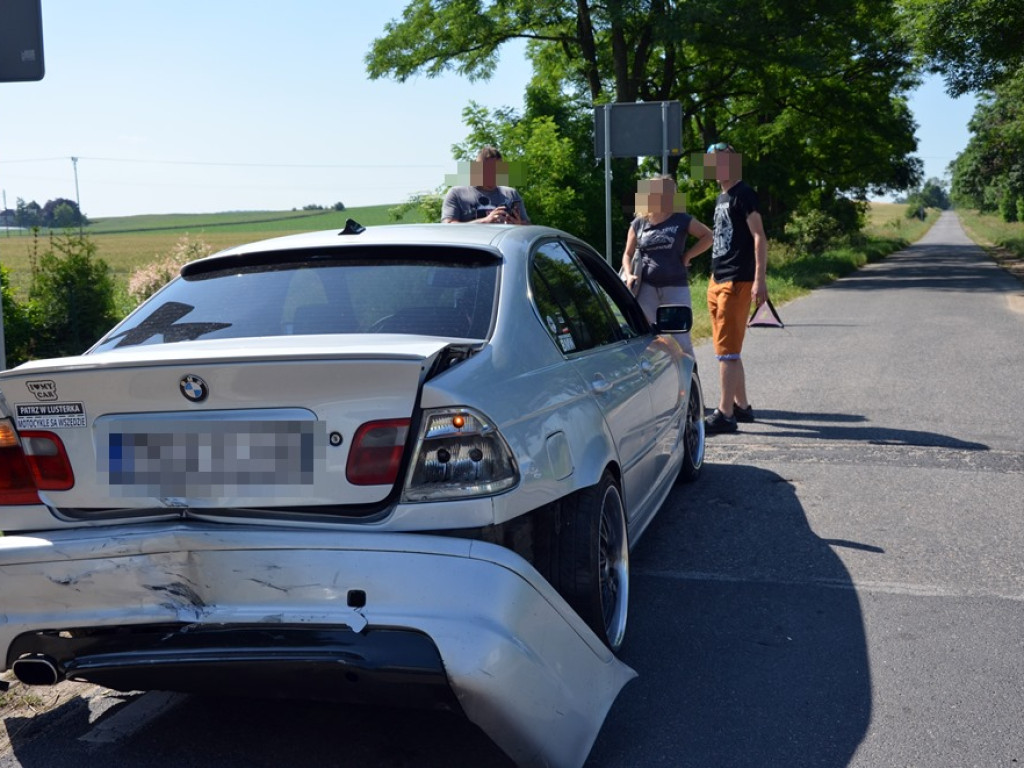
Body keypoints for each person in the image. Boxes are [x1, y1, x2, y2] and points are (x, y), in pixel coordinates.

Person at [703, 142, 768, 434]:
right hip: (717, 279)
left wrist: (759, 279)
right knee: (728, 348)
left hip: (737, 280)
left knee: (726, 351)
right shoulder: (721, 197)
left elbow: (759, 237)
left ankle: (725, 413)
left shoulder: (744, 194)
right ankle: (741, 406)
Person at [620, 175, 712, 358]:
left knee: (681, 337)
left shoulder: (681, 219)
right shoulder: (639, 223)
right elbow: (627, 254)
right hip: (646, 287)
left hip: (675, 286)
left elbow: (708, 236)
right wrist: (629, 275)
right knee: (647, 337)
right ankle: (661, 376)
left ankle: (690, 379)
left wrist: (688, 255)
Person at [441, 146, 531, 225]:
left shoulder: (511, 194)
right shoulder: (457, 193)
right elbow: (448, 226)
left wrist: (518, 224)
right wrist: (485, 221)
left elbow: (528, 226)